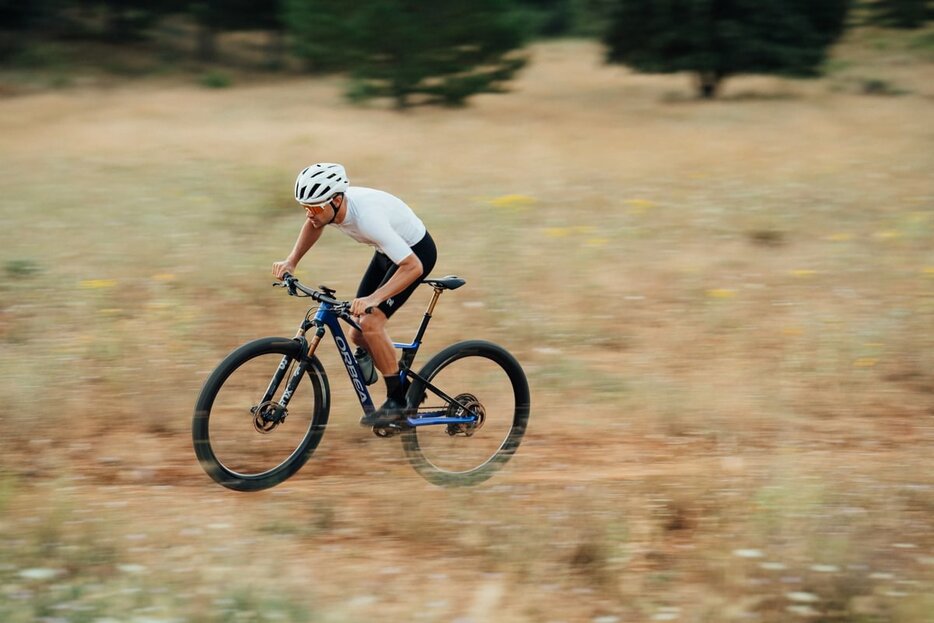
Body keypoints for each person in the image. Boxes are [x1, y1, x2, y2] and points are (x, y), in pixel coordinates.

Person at [272, 163, 437, 427]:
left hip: (414, 255)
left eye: (314, 207)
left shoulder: (367, 219)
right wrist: (291, 261)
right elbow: (313, 225)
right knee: (357, 332)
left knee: (371, 322)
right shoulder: (327, 211)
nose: (309, 214)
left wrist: (374, 299)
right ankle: (396, 371)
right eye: (305, 207)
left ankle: (398, 401)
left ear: (336, 200)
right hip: (386, 252)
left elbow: (413, 266)